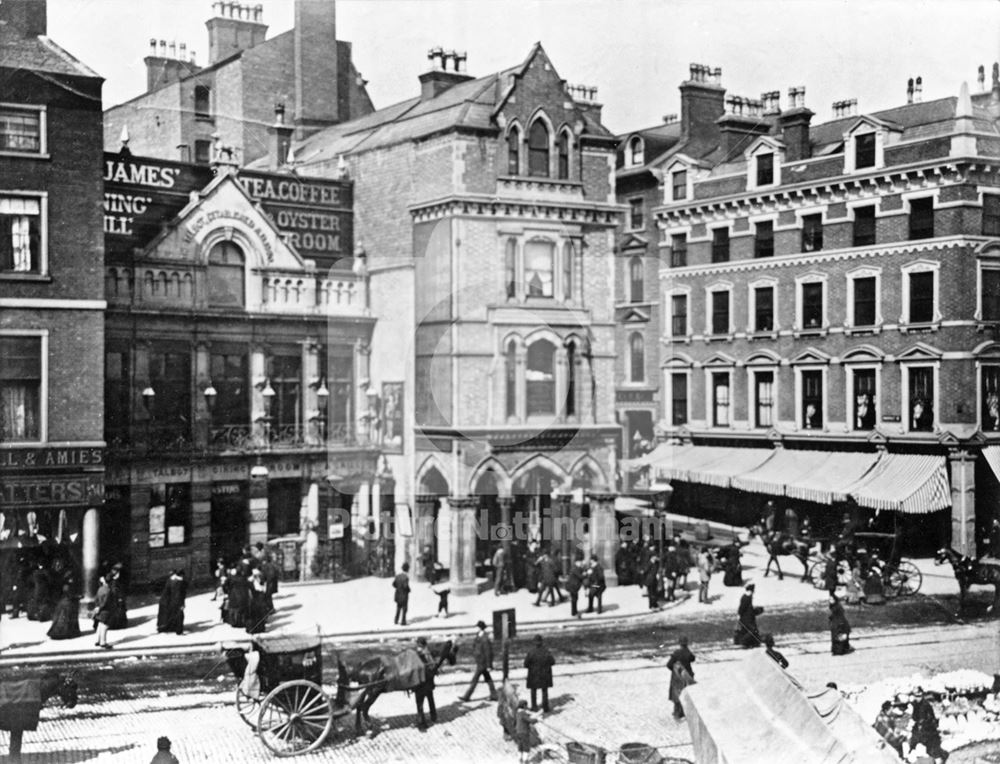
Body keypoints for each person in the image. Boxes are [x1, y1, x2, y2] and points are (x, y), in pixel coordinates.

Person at [459, 620, 497, 702]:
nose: (476, 628)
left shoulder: (485, 638)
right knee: (488, 678)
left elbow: (488, 652)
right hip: (479, 661)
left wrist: (489, 665)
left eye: (477, 627)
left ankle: (467, 696)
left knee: (475, 679)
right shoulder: (479, 635)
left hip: (482, 662)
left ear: (480, 628)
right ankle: (494, 695)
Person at [910, 688, 949, 763]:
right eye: (916, 696)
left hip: (928, 729)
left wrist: (922, 724)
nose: (918, 698)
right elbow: (915, 716)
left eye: (919, 696)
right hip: (920, 728)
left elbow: (929, 718)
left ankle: (941, 757)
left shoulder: (925, 705)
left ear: (922, 696)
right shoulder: (915, 704)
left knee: (932, 748)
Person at [523, 634, 555, 712]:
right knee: (544, 691)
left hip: (534, 674)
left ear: (534, 642)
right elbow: (552, 662)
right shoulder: (546, 651)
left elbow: (526, 664)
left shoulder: (531, 652)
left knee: (533, 691)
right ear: (542, 642)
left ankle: (534, 706)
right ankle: (545, 707)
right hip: (545, 674)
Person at [666, 636, 695, 720]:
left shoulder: (676, 653)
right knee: (686, 694)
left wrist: (676, 670)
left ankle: (677, 712)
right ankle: (685, 712)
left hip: (677, 678)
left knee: (676, 695)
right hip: (687, 677)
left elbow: (669, 665)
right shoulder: (688, 653)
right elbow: (693, 658)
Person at [47, 568, 81, 640]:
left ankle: (68, 632)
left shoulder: (68, 585)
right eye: (71, 578)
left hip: (65, 603)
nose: (72, 579)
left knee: (64, 618)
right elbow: (70, 595)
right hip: (67, 603)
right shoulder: (67, 586)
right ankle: (65, 633)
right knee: (65, 618)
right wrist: (78, 597)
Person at [414, 636, 438, 727]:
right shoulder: (426, 653)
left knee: (420, 700)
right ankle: (433, 716)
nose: (417, 647)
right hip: (428, 682)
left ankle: (421, 721)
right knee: (430, 698)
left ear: (421, 645)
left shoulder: (424, 654)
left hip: (424, 682)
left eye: (418, 645)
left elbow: (429, 667)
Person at [156, 569, 187, 635]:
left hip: (168, 601)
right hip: (176, 601)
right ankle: (179, 631)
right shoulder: (181, 582)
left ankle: (166, 628)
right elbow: (181, 594)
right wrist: (182, 604)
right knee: (179, 615)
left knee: (169, 615)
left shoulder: (170, 580)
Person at [735, 582, 763, 648]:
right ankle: (746, 642)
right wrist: (739, 614)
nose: (753, 592)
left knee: (748, 630)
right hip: (747, 618)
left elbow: (744, 608)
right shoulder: (747, 598)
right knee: (753, 630)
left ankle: (750, 642)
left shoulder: (746, 597)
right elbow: (742, 608)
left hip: (747, 618)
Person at [513, 699, 540, 764]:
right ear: (524, 706)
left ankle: (520, 759)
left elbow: (514, 723)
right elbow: (529, 720)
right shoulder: (523, 713)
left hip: (518, 732)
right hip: (524, 732)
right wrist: (537, 720)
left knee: (520, 746)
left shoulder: (517, 713)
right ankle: (525, 761)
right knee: (526, 747)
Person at [92, 575, 113, 649]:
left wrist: (97, 607)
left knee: (100, 625)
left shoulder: (100, 589)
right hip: (105, 610)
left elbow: (96, 599)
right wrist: (100, 608)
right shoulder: (108, 590)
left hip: (99, 610)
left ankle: (97, 640)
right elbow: (105, 602)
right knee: (105, 626)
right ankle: (103, 642)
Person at [246, 569, 269, 634]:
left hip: (259, 596)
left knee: (260, 612)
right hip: (254, 597)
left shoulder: (260, 579)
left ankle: (260, 627)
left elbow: (262, 586)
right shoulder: (250, 580)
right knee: (255, 613)